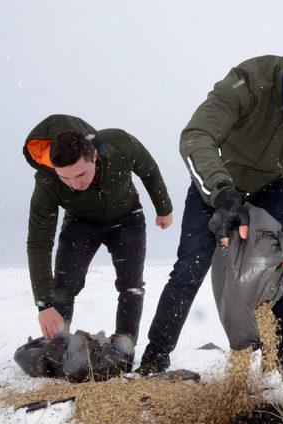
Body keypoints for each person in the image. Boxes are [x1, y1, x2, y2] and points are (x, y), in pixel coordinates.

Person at [136, 32, 283, 376]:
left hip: (272, 185)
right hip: (218, 183)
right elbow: (196, 136)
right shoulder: (252, 79)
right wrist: (222, 194)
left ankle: (279, 356)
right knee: (190, 268)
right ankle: (155, 356)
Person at [23, 114, 173, 349]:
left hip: (127, 218)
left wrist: (164, 208)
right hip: (80, 223)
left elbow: (149, 170)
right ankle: (58, 348)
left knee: (131, 286)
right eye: (66, 178)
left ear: (93, 155)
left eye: (81, 174)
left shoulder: (119, 145)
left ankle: (124, 348)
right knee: (63, 288)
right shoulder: (47, 182)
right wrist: (43, 305)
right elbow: (39, 242)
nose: (75, 184)